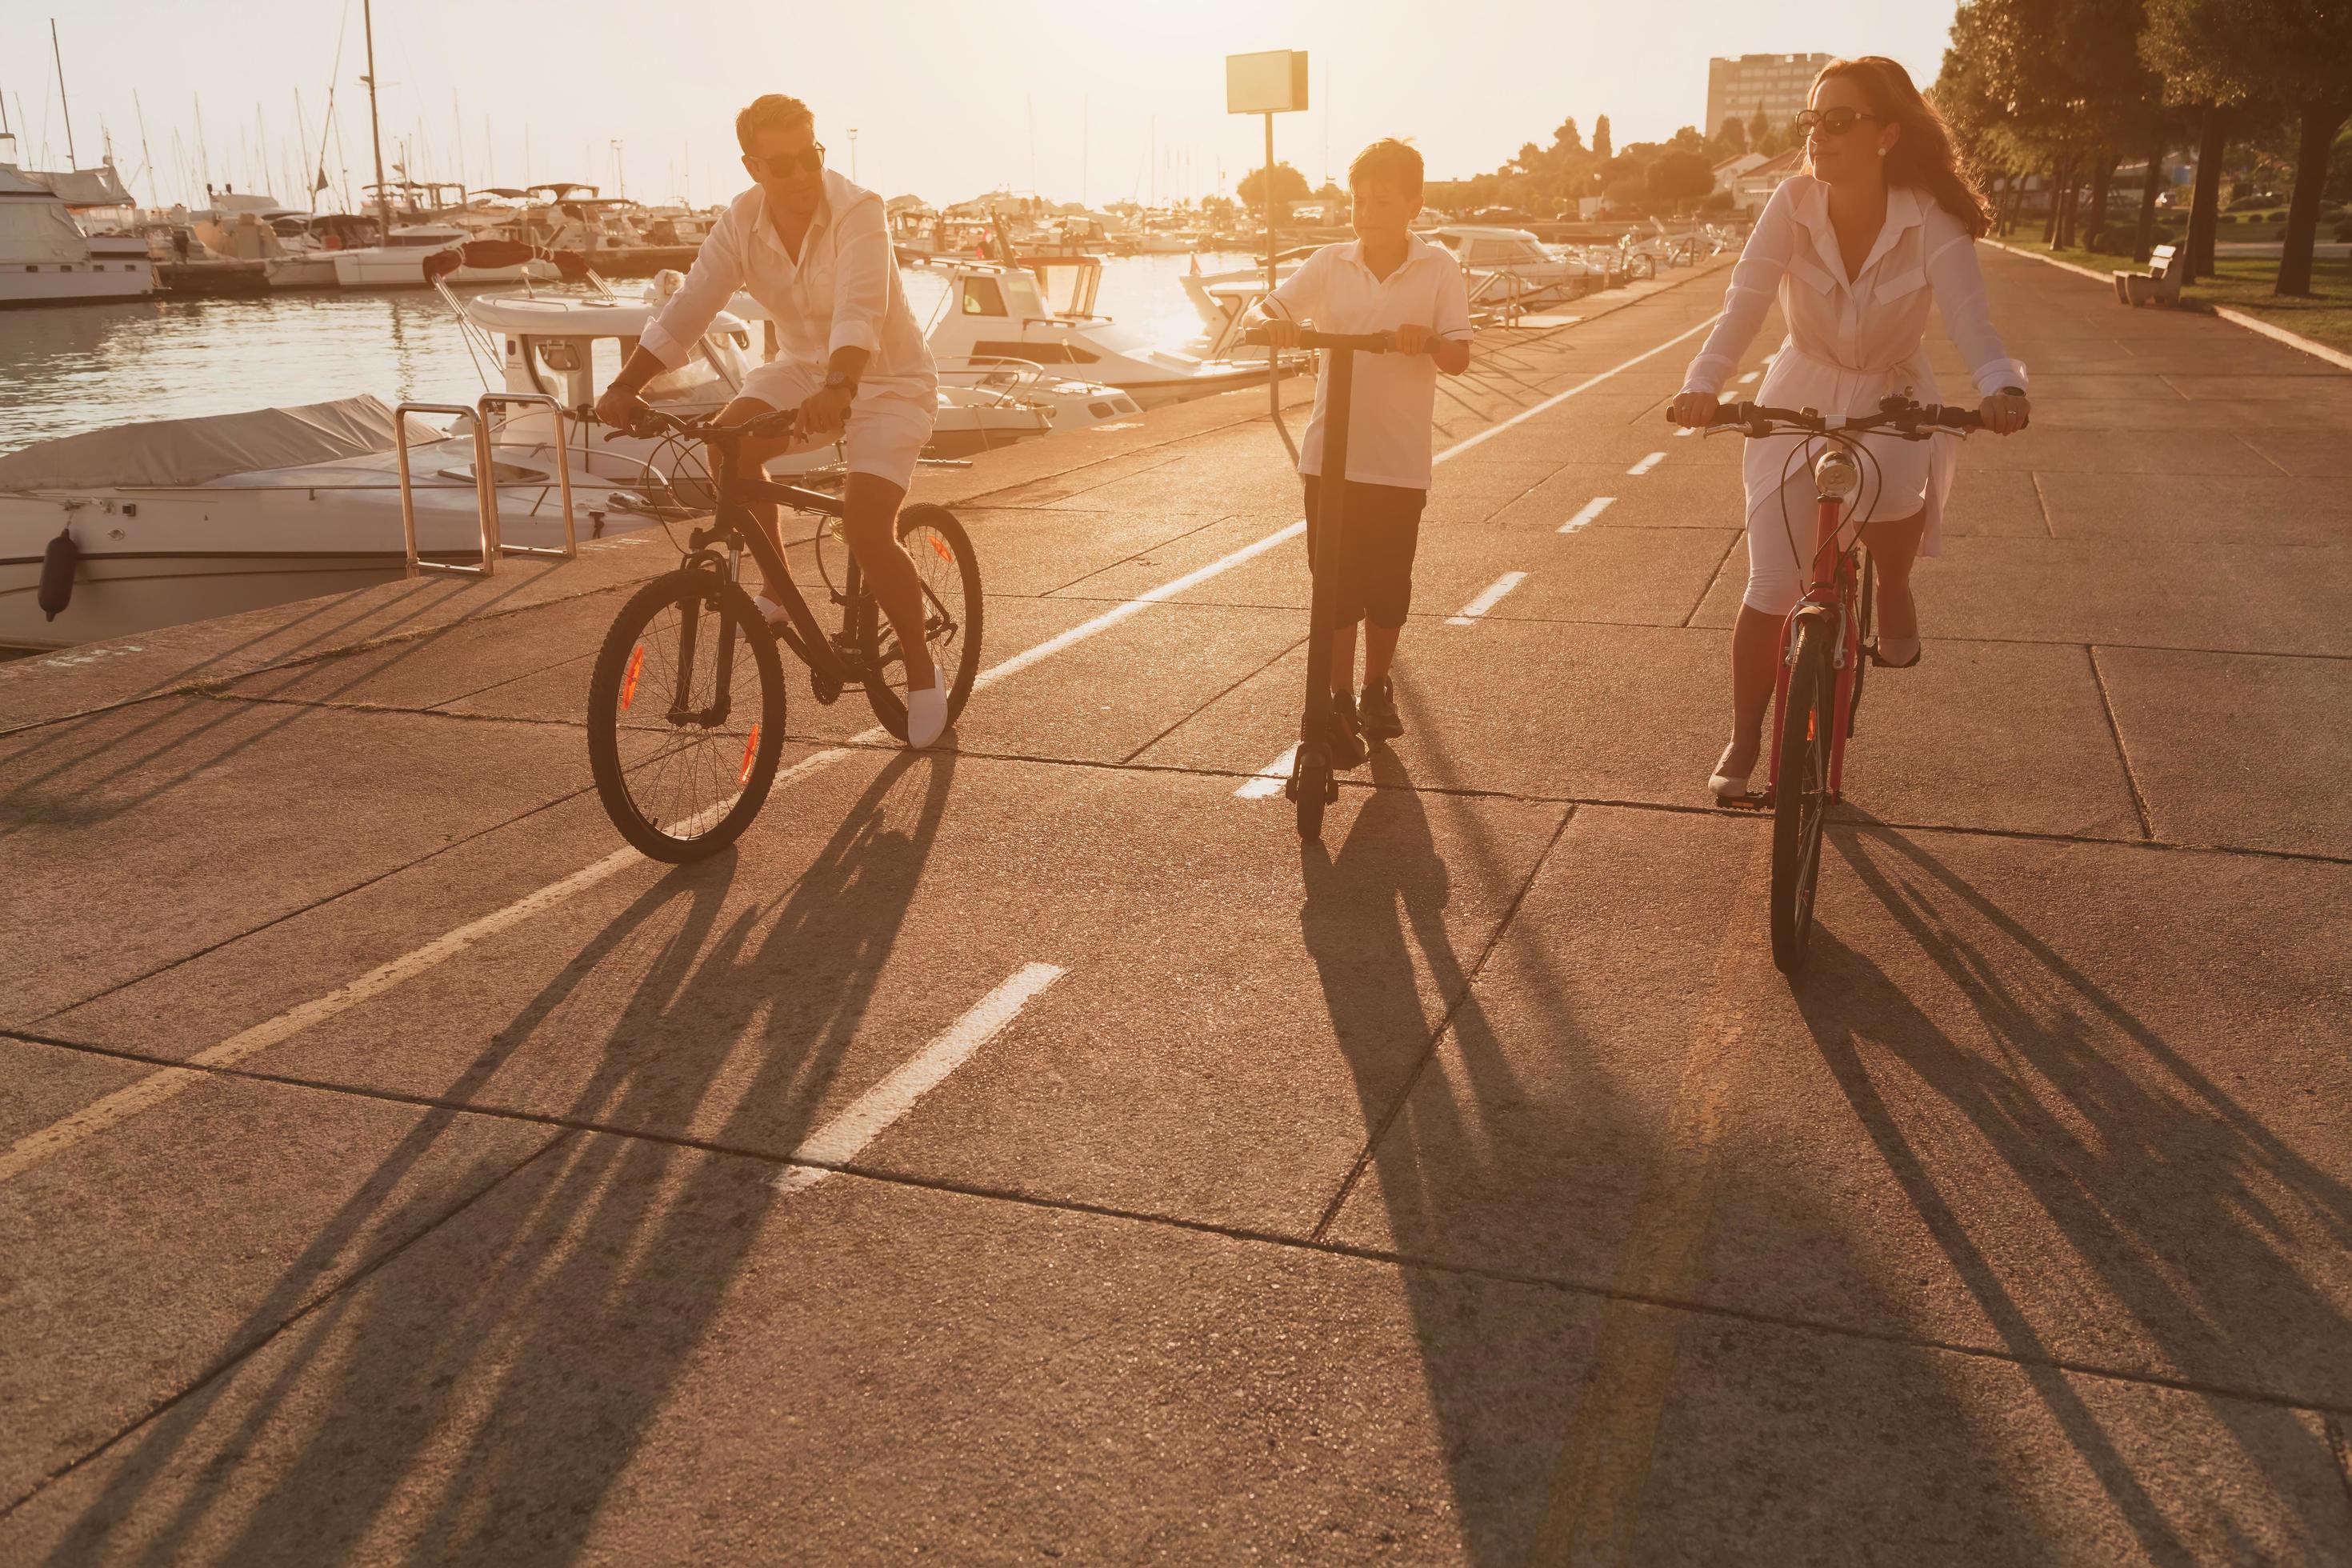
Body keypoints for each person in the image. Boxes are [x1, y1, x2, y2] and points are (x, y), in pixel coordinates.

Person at [1669, 56, 2030, 803]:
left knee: (1897, 505)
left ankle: (1894, 581)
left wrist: (1999, 385)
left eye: (1840, 120)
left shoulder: (1929, 216)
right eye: (1813, 120)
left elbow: (1969, 317)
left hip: (1892, 390)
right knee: (1771, 582)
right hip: (1799, 384)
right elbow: (1745, 299)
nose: (1819, 134)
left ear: (1887, 135)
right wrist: (1703, 383)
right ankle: (1745, 735)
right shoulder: (1792, 202)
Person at [595, 94, 949, 748]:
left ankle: (924, 675)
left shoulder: (860, 210)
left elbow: (860, 308)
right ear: (753, 166)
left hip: (886, 380)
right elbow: (691, 304)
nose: (801, 174)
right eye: (781, 164)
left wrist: (843, 384)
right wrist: (624, 384)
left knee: (868, 528)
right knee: (729, 448)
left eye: (810, 155)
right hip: (801, 372)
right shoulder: (743, 220)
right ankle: (778, 590)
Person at [1249, 138, 1473, 767]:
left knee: (1388, 586)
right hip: (1330, 455)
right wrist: (1278, 325)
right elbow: (1269, 311)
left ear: (1413, 206)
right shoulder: (1329, 262)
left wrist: (1425, 339)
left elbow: (1459, 356)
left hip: (1397, 459)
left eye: (1381, 201)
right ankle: (1339, 696)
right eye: (1358, 200)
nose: (1367, 212)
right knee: (1334, 584)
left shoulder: (1438, 269)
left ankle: (1377, 685)